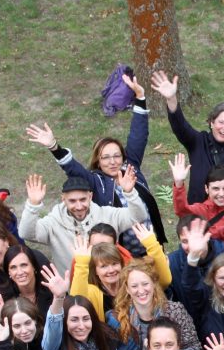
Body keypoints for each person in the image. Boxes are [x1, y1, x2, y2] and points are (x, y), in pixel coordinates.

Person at [25, 82, 165, 253]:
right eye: (105, 158)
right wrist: (54, 146)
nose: (112, 162)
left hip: (153, 245)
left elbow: (138, 135)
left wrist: (140, 98)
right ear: (98, 162)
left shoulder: (130, 167)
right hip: (123, 253)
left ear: (123, 157)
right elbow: (72, 169)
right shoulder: (96, 182)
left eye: (116, 156)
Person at [151, 69, 224, 205]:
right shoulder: (197, 141)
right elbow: (180, 126)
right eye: (221, 122)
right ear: (212, 123)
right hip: (198, 212)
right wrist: (171, 98)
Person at [18, 174, 150, 272]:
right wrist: (33, 205)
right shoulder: (52, 222)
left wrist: (129, 193)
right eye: (72, 201)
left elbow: (139, 216)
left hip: (109, 283)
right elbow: (26, 233)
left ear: (90, 197)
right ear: (63, 199)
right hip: (74, 290)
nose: (79, 206)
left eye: (83, 199)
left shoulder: (108, 214)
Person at [112, 257, 201, 350]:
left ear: (154, 283)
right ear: (127, 289)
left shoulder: (175, 310)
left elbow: (196, 349)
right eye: (134, 286)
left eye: (145, 284)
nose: (141, 290)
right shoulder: (118, 318)